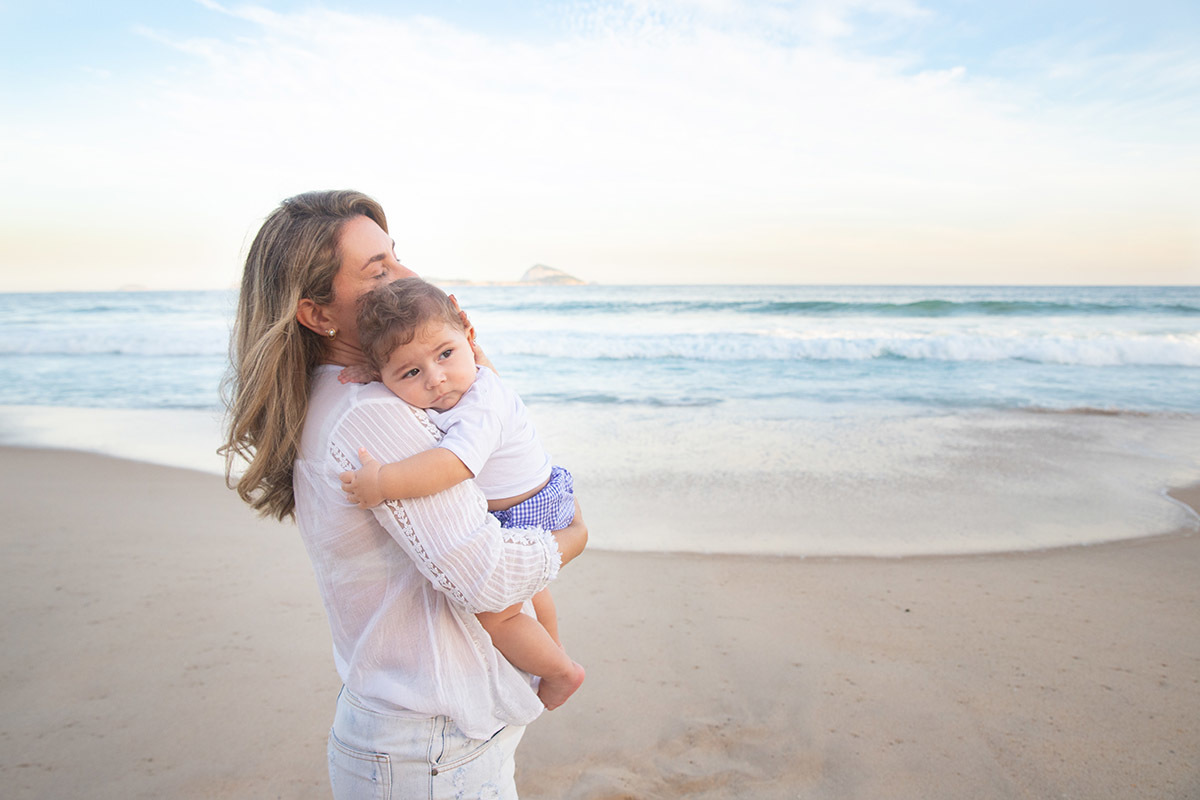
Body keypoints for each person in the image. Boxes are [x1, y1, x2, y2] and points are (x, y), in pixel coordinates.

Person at [220, 190, 587, 799]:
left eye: (396, 257)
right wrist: (571, 538)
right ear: (317, 314)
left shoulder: (340, 394)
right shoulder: (372, 413)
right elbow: (486, 579)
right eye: (378, 270)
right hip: (432, 747)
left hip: (416, 739)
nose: (407, 277)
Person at [338, 277, 586, 711]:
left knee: (497, 613)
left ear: (470, 338)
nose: (435, 379)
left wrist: (383, 484)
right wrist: (378, 376)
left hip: (527, 508)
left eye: (445, 355)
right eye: (411, 372)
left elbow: (452, 466)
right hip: (536, 492)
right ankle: (556, 653)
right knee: (533, 592)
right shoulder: (473, 375)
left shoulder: (479, 406)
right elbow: (424, 360)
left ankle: (560, 671)